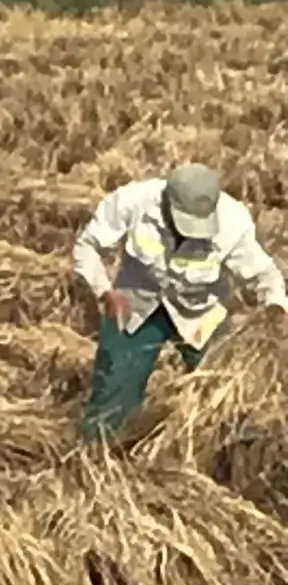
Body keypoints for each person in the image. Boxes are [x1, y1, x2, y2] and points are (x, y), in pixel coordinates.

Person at [69, 163, 285, 444]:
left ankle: (225, 454)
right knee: (112, 394)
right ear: (166, 203)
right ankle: (95, 458)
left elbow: (262, 274)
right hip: (136, 303)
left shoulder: (233, 222)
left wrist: (277, 309)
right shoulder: (132, 201)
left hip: (200, 312)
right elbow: (86, 246)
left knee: (227, 391)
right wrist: (104, 291)